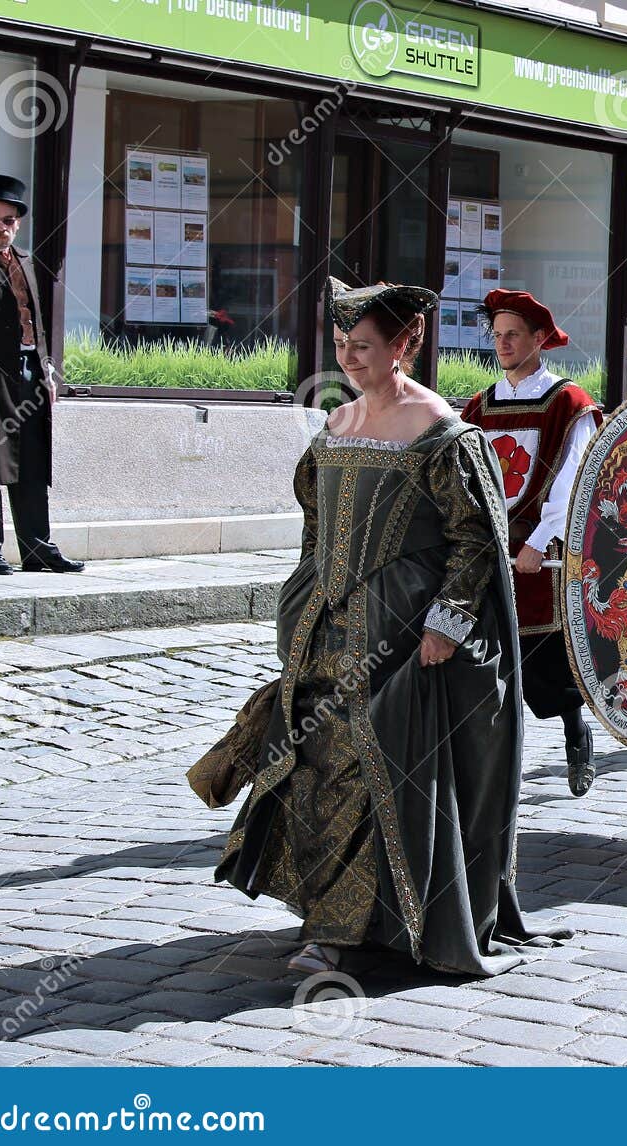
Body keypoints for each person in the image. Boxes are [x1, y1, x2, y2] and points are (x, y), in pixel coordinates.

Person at [213, 278, 565, 975]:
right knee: (315, 764)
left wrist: (446, 621)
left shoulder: (440, 430)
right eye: (341, 344)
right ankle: (345, 917)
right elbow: (317, 527)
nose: (348, 357)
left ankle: (339, 934)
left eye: (364, 345)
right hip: (327, 628)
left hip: (402, 636)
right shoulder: (337, 426)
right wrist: (300, 605)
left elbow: (471, 538)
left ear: (405, 343)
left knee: (365, 763)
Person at [461, 290, 604, 797]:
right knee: (484, 663)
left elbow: (573, 480)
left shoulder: (569, 403)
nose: (502, 344)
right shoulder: (479, 406)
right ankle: (492, 770)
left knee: (546, 665)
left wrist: (540, 541)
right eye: (496, 335)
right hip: (488, 551)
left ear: (539, 339)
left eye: (513, 335)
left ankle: (575, 733)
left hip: (538, 556)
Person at [0, 174, 82, 576]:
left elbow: (36, 321)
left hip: (30, 374)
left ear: (18, 222)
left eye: (8, 221)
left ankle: (38, 548)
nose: (1, 228)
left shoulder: (26, 261)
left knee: (33, 461)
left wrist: (47, 370)